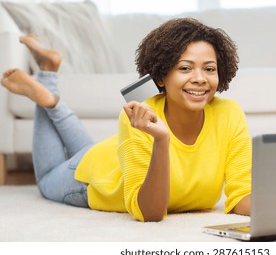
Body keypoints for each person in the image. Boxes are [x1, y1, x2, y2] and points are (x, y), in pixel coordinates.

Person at [1, 18, 251, 222]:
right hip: (95, 178)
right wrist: (161, 140)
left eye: (209, 69)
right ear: (161, 76)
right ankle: (48, 93)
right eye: (185, 68)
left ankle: (49, 73)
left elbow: (241, 195)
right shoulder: (141, 113)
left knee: (88, 150)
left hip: (113, 154)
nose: (200, 78)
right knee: (45, 180)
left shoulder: (229, 113)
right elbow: (149, 213)